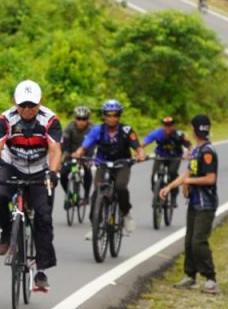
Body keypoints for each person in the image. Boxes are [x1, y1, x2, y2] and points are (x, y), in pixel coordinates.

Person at [0, 81, 62, 291]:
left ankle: (41, 270)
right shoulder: (5, 119)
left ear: (40, 104)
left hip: (39, 169)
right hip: (13, 165)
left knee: (43, 216)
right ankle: (7, 232)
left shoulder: (50, 119)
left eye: (32, 105)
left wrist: (53, 172)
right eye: (23, 105)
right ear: (15, 104)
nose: (27, 110)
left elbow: (55, 150)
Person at [162, 114, 219, 294]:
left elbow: (210, 179)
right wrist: (170, 186)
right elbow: (187, 174)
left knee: (198, 242)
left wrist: (189, 183)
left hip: (206, 204)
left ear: (193, 130)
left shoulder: (208, 151)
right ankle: (190, 276)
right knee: (189, 241)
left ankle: (210, 279)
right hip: (194, 202)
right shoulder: (196, 151)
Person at [72, 100, 146, 236]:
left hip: (122, 164)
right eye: (109, 115)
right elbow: (85, 146)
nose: (112, 118)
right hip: (103, 164)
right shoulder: (97, 130)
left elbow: (137, 146)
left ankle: (126, 214)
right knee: (97, 191)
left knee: (120, 187)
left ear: (119, 116)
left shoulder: (126, 130)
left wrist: (140, 154)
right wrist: (78, 153)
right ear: (104, 116)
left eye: (115, 115)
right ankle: (96, 226)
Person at [142, 116, 191, 204]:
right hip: (161, 155)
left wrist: (188, 154)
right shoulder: (157, 133)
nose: (168, 128)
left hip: (175, 156)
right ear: (163, 126)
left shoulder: (179, 135)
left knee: (172, 172)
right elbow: (144, 143)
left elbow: (190, 147)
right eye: (166, 125)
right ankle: (156, 191)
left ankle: (173, 194)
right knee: (154, 173)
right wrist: (140, 152)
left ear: (174, 126)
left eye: (170, 125)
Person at [60, 105, 93, 205]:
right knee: (63, 174)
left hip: (86, 154)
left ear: (88, 119)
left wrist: (89, 157)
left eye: (84, 119)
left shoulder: (92, 128)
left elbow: (94, 144)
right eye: (79, 119)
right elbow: (64, 144)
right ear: (75, 118)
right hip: (71, 154)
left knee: (87, 171)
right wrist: (65, 156)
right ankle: (68, 195)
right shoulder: (69, 127)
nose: (81, 121)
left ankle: (86, 196)